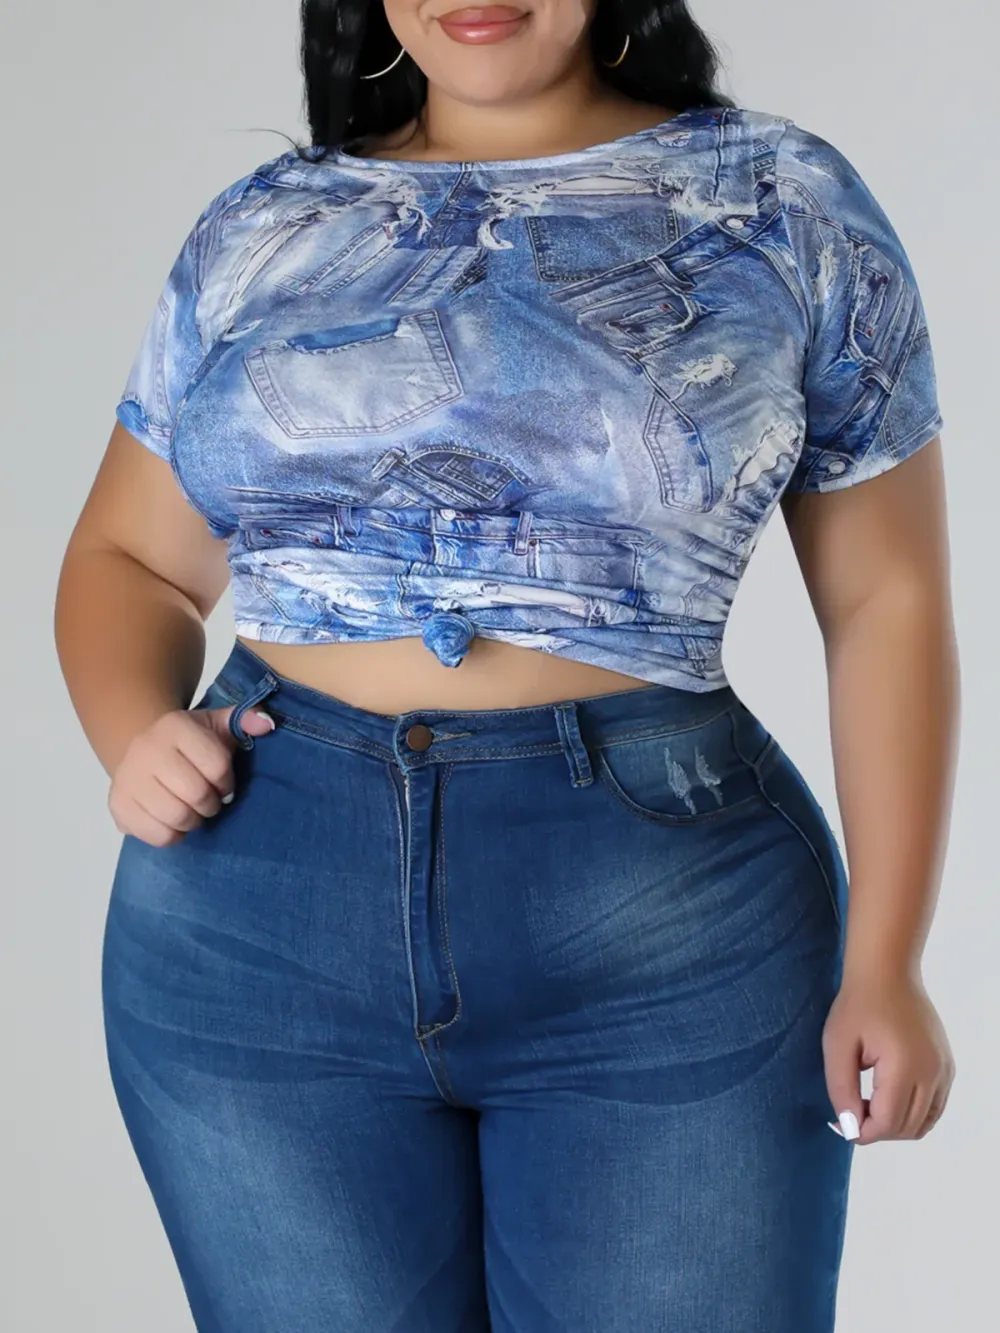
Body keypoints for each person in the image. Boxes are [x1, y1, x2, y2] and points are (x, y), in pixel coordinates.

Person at [55, 0, 959, 1329]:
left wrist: (888, 959)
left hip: (665, 926)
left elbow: (888, 601)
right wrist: (133, 724)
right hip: (257, 919)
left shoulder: (781, 201)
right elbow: (130, 559)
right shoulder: (263, 227)